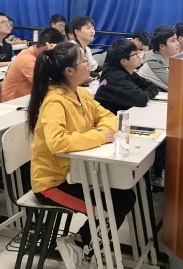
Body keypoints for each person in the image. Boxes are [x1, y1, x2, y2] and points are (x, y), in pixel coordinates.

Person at [27, 41, 135, 268]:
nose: (89, 63)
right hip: (53, 183)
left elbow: (108, 117)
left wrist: (102, 131)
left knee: (126, 197)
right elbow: (58, 142)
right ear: (69, 71)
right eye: (84, 60)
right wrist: (99, 136)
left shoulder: (81, 94)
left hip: (78, 174)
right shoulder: (54, 101)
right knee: (109, 210)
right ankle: (84, 251)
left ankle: (78, 242)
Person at [94, 39, 159, 114]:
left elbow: (152, 87)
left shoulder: (127, 72)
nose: (139, 56)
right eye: (135, 54)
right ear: (124, 61)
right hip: (105, 119)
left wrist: (144, 94)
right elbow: (142, 99)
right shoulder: (117, 79)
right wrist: (144, 94)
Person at [0, 27, 64, 102]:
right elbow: (45, 86)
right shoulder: (27, 60)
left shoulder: (35, 53)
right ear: (47, 47)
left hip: (29, 98)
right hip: (13, 102)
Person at [138, 25, 180, 91]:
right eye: (173, 41)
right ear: (162, 46)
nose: (177, 43)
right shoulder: (153, 63)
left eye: (176, 39)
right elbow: (178, 87)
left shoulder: (168, 59)